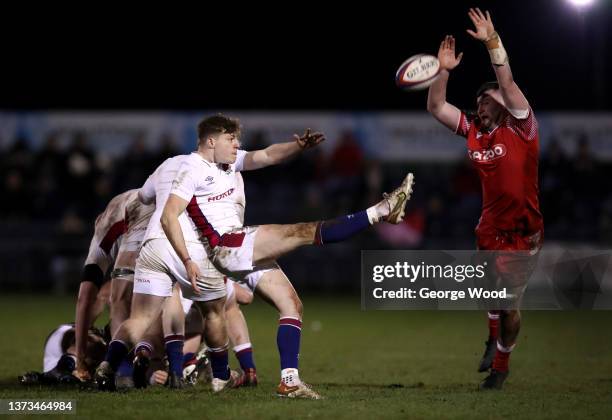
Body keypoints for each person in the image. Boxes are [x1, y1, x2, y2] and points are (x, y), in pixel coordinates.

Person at [426, 8, 543, 390]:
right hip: (489, 228)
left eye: (488, 98)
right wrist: (444, 71)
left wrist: (493, 41)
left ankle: (501, 365)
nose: (482, 102)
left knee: (509, 303)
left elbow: (506, 81)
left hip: (523, 230)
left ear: (504, 104)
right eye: (478, 99)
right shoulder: (476, 132)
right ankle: (492, 337)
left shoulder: (522, 126)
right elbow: (436, 108)